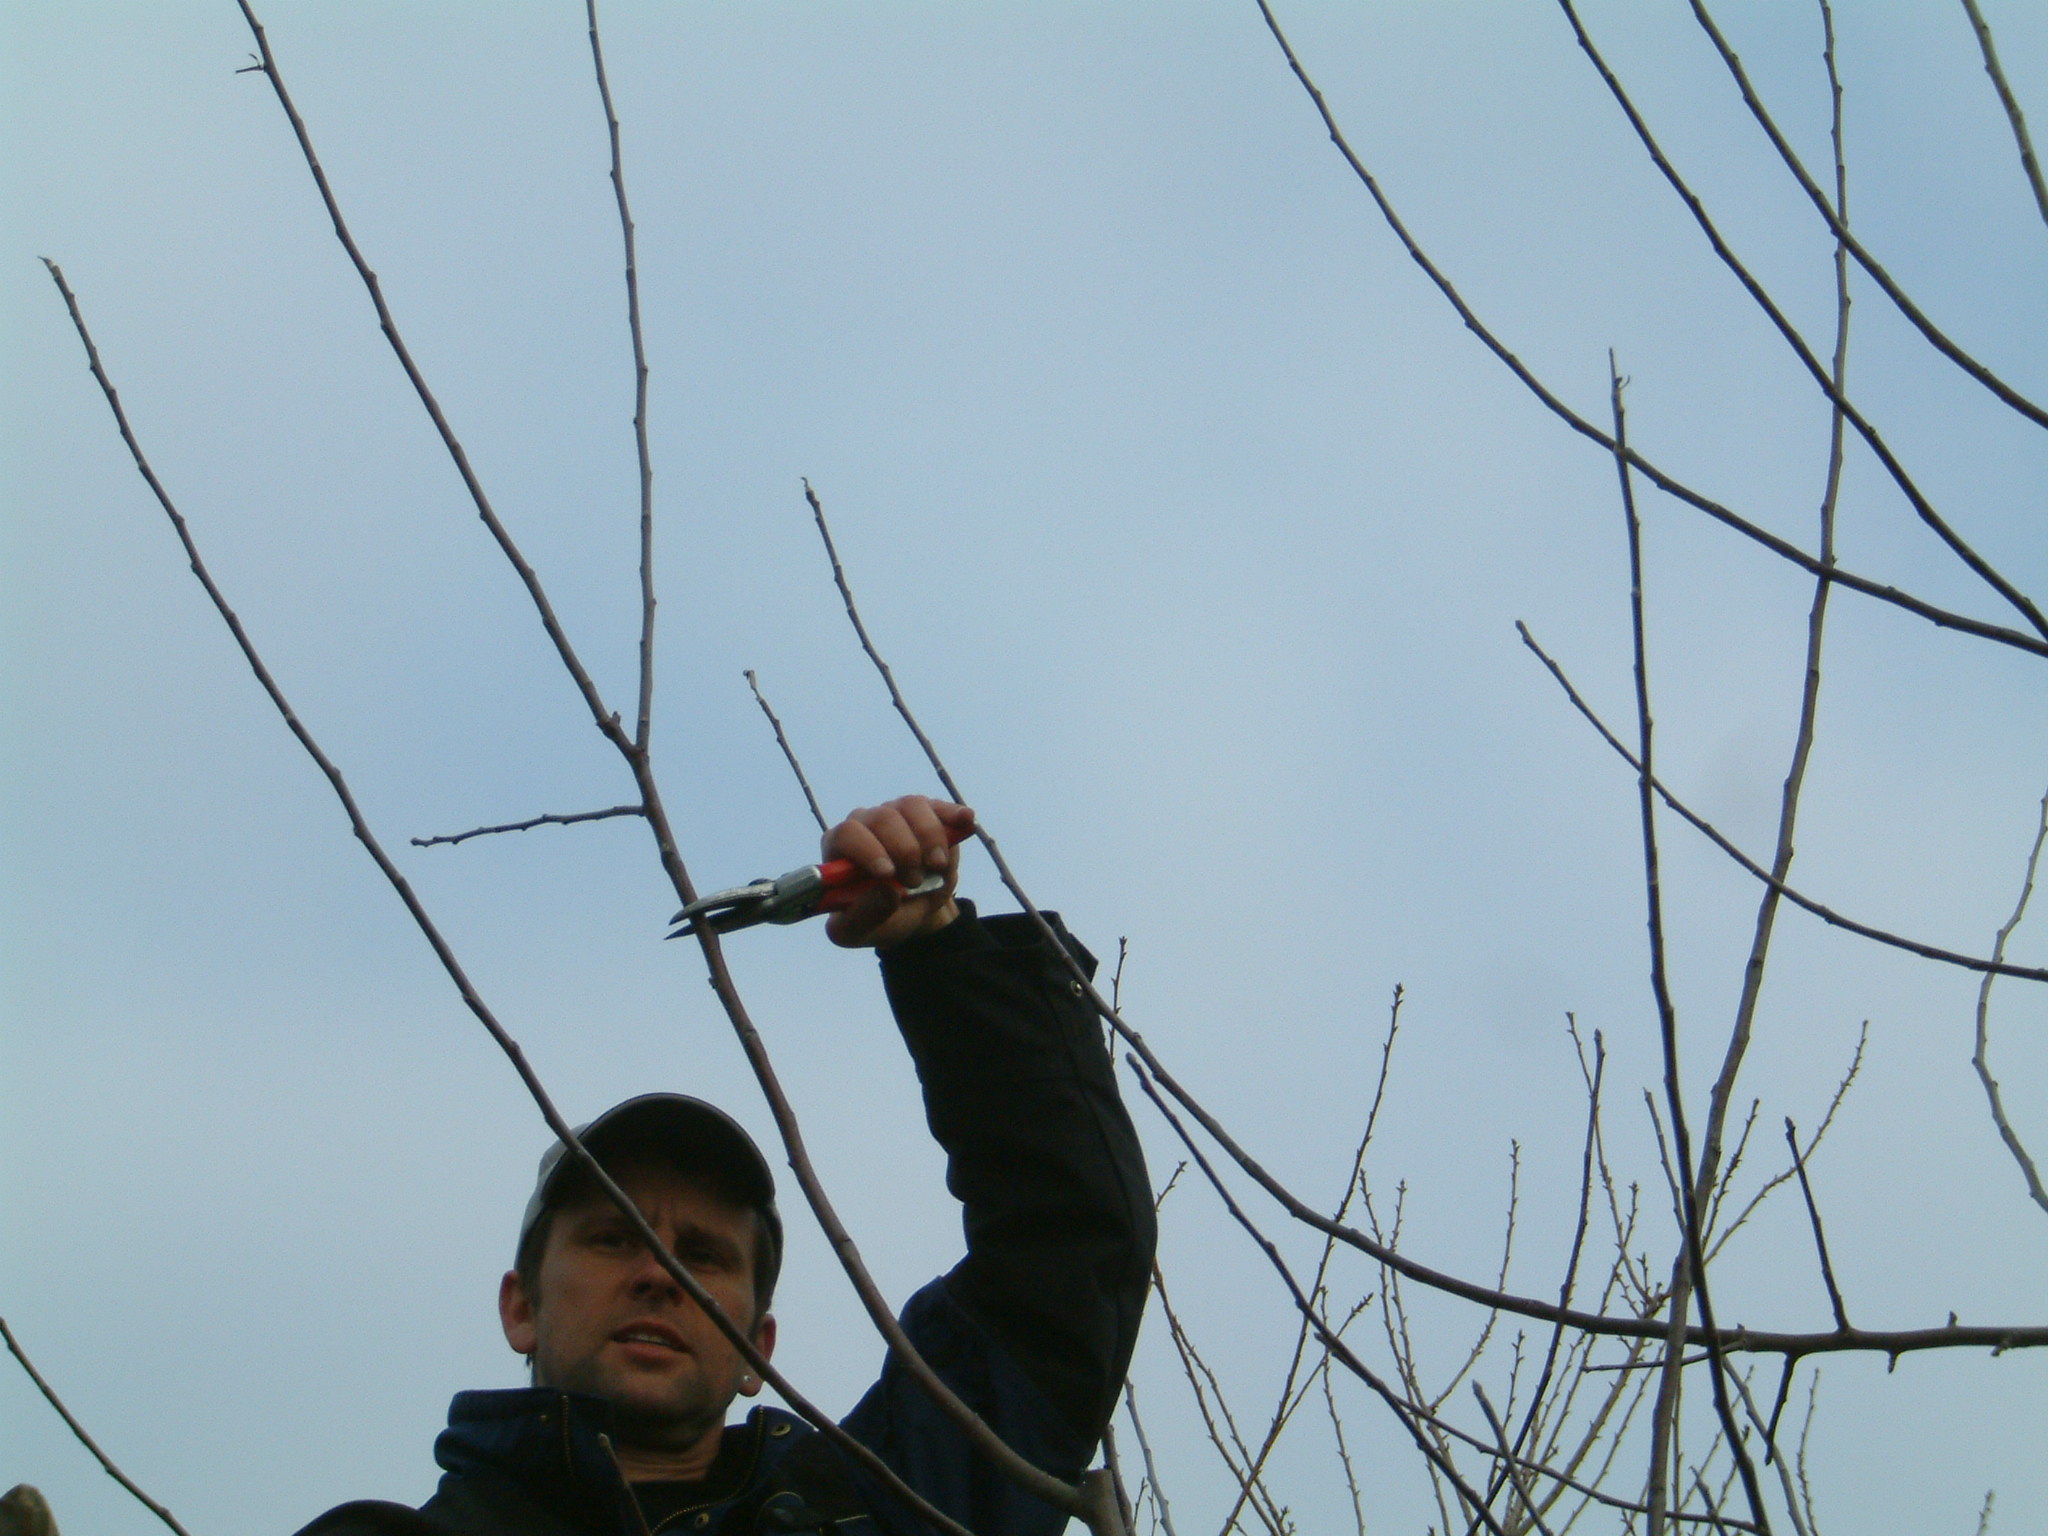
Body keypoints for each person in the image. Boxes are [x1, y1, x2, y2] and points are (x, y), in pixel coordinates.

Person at [296, 796, 1155, 1536]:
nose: (659, 1273)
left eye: (704, 1255)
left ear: (760, 1350)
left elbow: (1067, 1256)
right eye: (611, 1238)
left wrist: (938, 949)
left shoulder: (884, 1509)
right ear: (521, 1306)